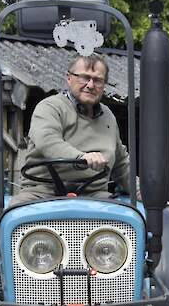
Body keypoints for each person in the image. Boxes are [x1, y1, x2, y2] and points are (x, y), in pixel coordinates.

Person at [11, 52, 131, 204]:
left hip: (94, 194)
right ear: (69, 78)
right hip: (43, 192)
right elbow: (48, 141)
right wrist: (81, 158)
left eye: (98, 80)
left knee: (128, 218)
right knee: (16, 217)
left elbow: (121, 163)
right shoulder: (50, 107)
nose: (90, 85)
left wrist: (143, 191)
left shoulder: (108, 116)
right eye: (84, 77)